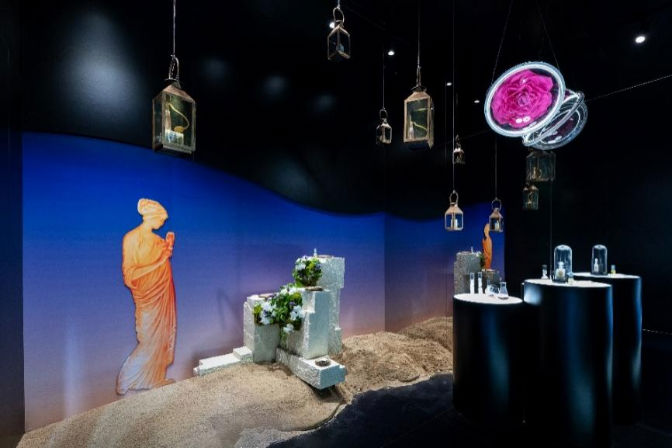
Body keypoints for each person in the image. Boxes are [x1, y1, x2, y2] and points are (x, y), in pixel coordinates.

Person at [117, 199, 176, 395]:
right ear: (151, 217)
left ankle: (155, 379)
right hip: (147, 297)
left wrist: (167, 249)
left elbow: (163, 266)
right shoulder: (132, 238)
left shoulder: (158, 241)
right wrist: (160, 261)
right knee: (149, 339)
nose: (162, 223)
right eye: (161, 219)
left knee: (161, 338)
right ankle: (126, 380)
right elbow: (130, 275)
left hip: (163, 295)